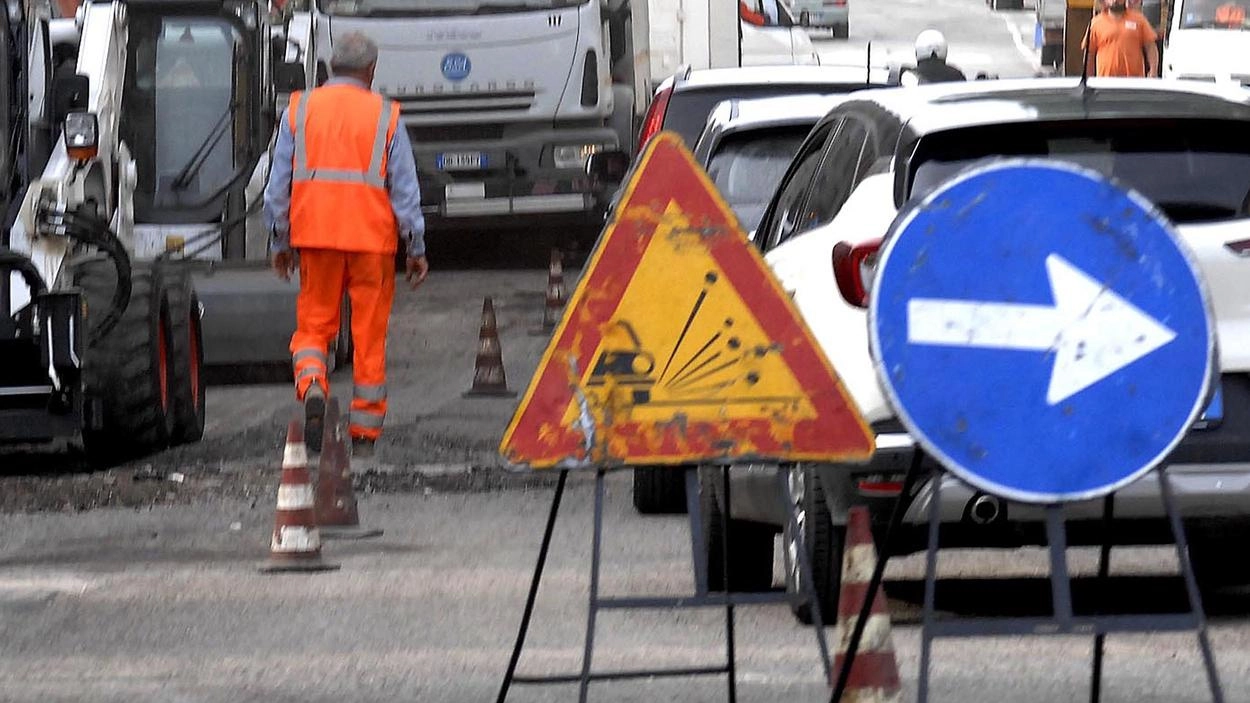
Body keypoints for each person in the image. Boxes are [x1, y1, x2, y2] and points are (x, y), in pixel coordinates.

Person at [264, 31, 428, 457]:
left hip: (315, 238)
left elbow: (277, 186)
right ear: (371, 70)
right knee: (369, 336)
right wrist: (415, 247)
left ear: (330, 67)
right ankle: (364, 434)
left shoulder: (299, 110)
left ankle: (314, 385)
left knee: (314, 327)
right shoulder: (386, 116)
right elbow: (405, 191)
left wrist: (280, 240)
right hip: (372, 242)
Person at [1083, 0, 1159, 77]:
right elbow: (1089, 53)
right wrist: (1089, 78)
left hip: (1134, 82)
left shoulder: (1139, 20)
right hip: (1105, 82)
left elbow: (1150, 47)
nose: (1115, 1)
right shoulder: (1095, 23)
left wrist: (1153, 70)